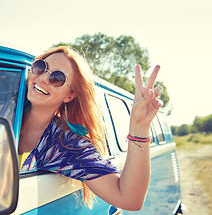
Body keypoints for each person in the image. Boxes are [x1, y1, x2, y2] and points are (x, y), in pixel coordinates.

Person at [17, 46, 163, 210]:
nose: (43, 78)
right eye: (40, 67)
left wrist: (139, 127)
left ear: (69, 96)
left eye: (57, 78)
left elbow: (129, 199)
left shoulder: (67, 145)